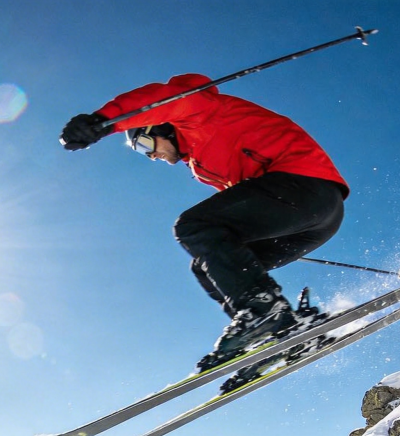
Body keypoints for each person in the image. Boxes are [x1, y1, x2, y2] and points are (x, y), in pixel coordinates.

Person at [60, 73, 349, 367]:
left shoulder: (199, 113)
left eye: (145, 144)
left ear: (161, 126)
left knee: (193, 226)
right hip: (311, 219)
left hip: (307, 188)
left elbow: (163, 101)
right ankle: (283, 330)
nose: (151, 156)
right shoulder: (201, 165)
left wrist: (103, 121)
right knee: (206, 268)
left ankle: (264, 312)